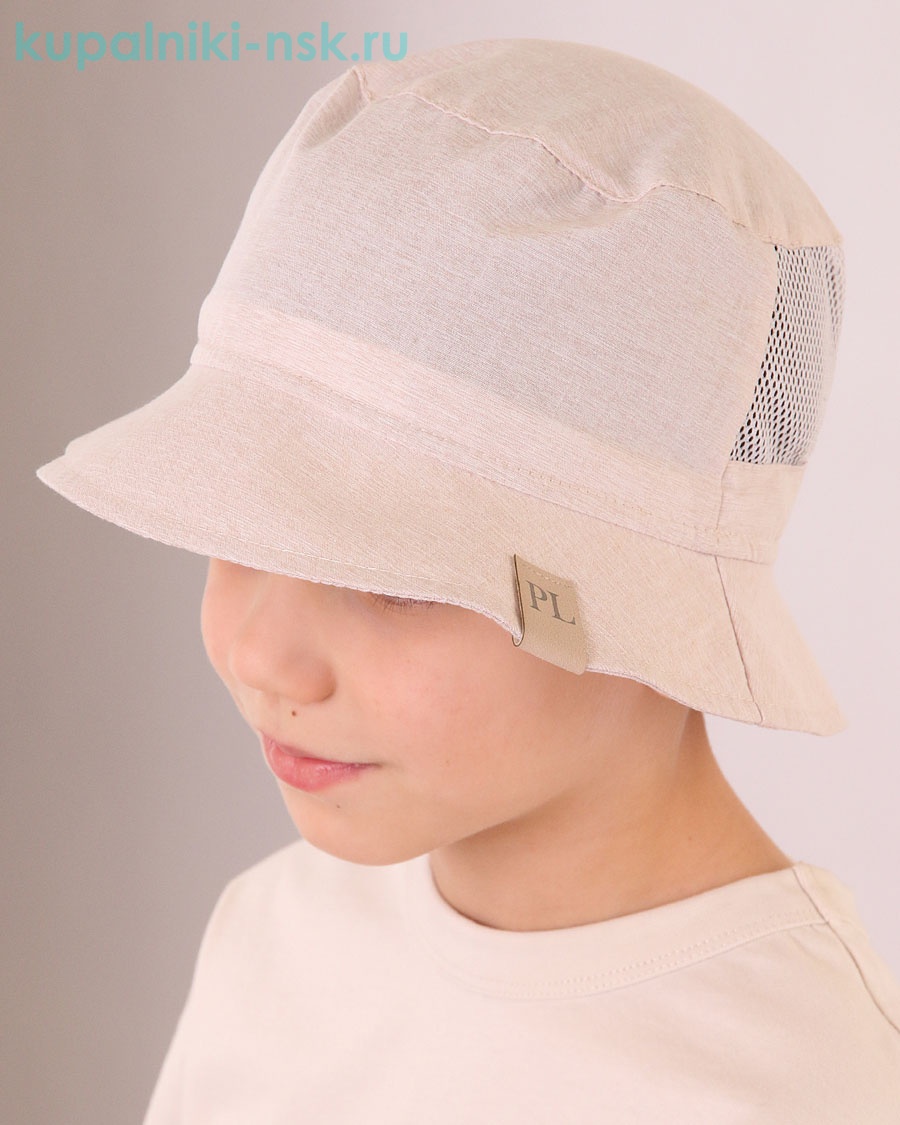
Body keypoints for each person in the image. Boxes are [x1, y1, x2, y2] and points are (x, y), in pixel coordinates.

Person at [36, 36, 900, 1123]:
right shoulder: (278, 941)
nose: (261, 653)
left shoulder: (802, 1087)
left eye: (392, 577)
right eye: (239, 524)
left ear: (641, 592)